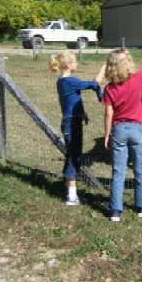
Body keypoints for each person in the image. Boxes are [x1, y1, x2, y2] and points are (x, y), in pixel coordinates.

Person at [101, 48, 142, 222]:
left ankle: (115, 210)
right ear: (128, 64)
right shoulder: (138, 79)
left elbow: (108, 114)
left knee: (118, 171)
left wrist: (107, 135)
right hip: (137, 129)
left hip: (119, 130)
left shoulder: (109, 89)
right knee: (141, 169)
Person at [50, 51, 105, 205]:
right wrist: (104, 68)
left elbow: (71, 100)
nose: (77, 63)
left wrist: (82, 113)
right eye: (74, 61)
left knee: (73, 156)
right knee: (74, 158)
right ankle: (71, 197)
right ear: (67, 65)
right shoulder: (70, 81)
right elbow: (94, 84)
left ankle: (72, 192)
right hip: (71, 124)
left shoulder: (62, 81)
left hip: (72, 120)